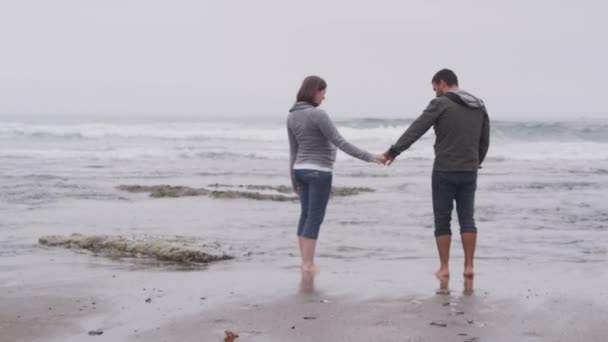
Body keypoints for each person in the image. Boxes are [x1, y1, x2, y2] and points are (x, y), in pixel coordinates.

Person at [384, 69, 490, 279]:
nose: (435, 94)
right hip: (469, 170)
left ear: (443, 83)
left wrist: (394, 151)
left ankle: (444, 268)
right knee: (467, 218)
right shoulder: (479, 104)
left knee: (442, 219)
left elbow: (417, 129)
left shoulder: (440, 104)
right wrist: (475, 161)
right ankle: (469, 267)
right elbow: (484, 139)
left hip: (444, 169)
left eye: (435, 89)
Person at [287, 75, 385, 273]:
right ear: (313, 92)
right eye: (322, 92)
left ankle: (304, 261)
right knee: (314, 217)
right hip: (319, 171)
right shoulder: (318, 115)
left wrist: (293, 178)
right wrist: (371, 157)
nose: (324, 97)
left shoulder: (291, 116)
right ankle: (308, 264)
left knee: (305, 215)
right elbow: (340, 141)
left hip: (300, 170)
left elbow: (293, 151)